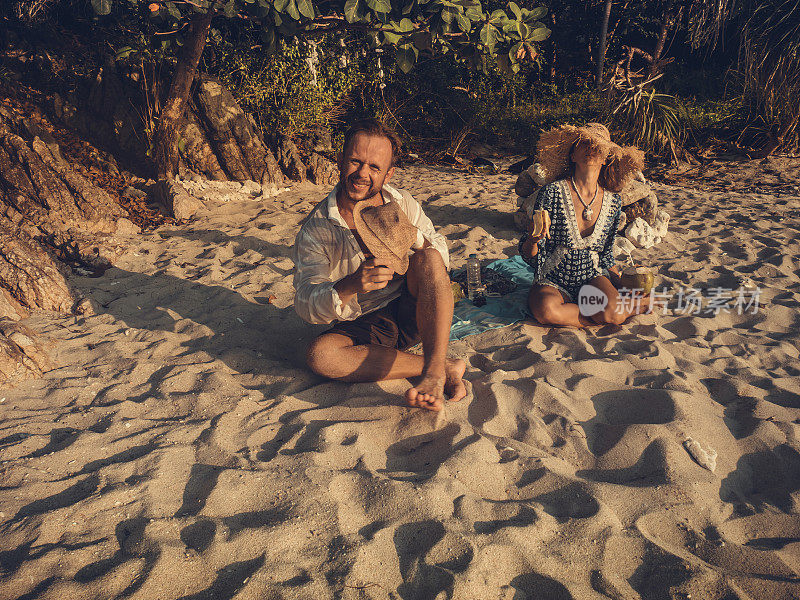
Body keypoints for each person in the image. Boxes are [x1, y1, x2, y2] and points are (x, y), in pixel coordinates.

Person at [292, 118, 466, 411]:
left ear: (388, 174)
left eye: (374, 167)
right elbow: (304, 303)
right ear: (340, 161)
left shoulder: (402, 202)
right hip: (363, 327)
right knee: (320, 356)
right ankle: (441, 366)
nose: (362, 174)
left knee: (430, 255)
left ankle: (433, 372)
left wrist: (411, 239)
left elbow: (440, 258)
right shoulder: (317, 228)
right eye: (355, 162)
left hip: (414, 311)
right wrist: (349, 286)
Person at [520, 123, 649, 327]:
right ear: (573, 156)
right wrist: (533, 239)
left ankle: (626, 307)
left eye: (598, 146)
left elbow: (606, 255)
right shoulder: (552, 193)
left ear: (606, 157)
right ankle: (604, 313)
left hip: (592, 276)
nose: (591, 148)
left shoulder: (613, 201)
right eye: (584, 144)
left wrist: (621, 283)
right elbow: (530, 255)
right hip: (553, 277)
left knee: (612, 315)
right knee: (546, 312)